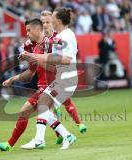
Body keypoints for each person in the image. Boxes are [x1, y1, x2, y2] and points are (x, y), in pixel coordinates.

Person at [20, 7, 79, 150]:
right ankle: (67, 136)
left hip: (67, 79)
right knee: (44, 107)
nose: (49, 20)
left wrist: (34, 56)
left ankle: (39, 140)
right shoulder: (60, 35)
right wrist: (34, 53)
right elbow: (52, 56)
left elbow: (66, 60)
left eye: (52, 17)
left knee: (43, 103)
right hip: (62, 79)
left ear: (58, 20)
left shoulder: (66, 36)